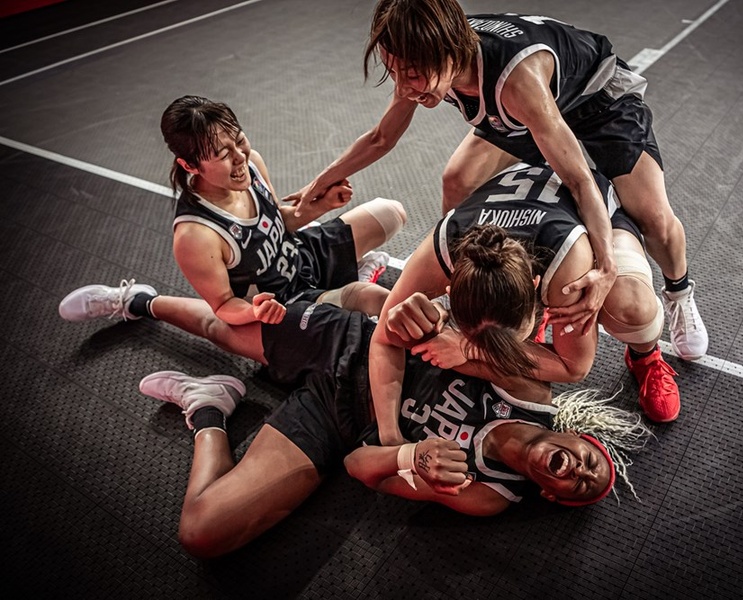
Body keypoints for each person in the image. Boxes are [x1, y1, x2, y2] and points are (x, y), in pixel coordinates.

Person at [286, 0, 707, 360]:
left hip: (598, 104)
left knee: (652, 217)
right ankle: (473, 283)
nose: (403, 86)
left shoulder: (516, 81)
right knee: (458, 178)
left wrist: (606, 270)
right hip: (529, 107)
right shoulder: (424, 57)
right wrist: (319, 182)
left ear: (448, 51)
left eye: (411, 74)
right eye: (394, 72)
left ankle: (679, 294)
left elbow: (579, 180)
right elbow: (381, 137)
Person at [136, 300, 650, 558]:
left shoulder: (489, 494)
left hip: (335, 422)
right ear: (577, 437)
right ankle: (137, 301)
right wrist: (423, 312)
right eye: (592, 463)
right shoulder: (528, 392)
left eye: (580, 486)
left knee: (202, 533)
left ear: (552, 495)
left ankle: (208, 408)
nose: (581, 472)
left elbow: (362, 469)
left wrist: (410, 460)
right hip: (357, 347)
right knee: (220, 328)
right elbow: (444, 334)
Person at [371, 163, 680, 446]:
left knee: (630, 309)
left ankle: (645, 357)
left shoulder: (568, 267)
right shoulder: (443, 248)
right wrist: (390, 439)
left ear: (535, 286)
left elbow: (574, 367)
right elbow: (384, 338)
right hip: (526, 211)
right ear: (450, 290)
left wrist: (468, 348)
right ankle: (516, 330)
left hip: (596, 216)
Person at [60, 95, 407, 331]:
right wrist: (257, 311)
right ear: (190, 165)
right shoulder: (195, 235)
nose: (239, 157)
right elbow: (223, 306)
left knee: (390, 212)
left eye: (238, 141)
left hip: (300, 257)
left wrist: (320, 206)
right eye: (223, 154)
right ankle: (137, 301)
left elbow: (278, 222)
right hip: (281, 303)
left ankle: (348, 275)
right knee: (373, 300)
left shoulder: (251, 162)